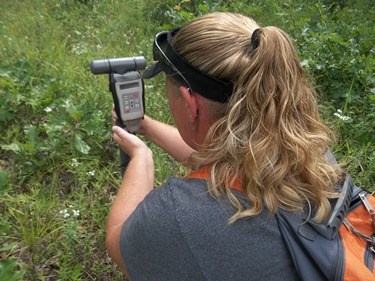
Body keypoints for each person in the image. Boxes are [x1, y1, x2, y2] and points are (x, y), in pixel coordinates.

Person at [106, 12, 343, 280]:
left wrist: (141, 158)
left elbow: (119, 242)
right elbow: (221, 162)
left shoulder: (179, 215)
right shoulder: (311, 155)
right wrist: (146, 127)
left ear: (189, 103)